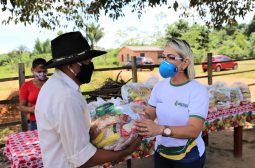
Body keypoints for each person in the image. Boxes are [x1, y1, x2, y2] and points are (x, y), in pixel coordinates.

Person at [35, 31, 141, 168]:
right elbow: (82, 159)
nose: (90, 65)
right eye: (87, 61)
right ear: (71, 65)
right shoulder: (65, 97)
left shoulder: (56, 86)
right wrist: (125, 152)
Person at [135, 38, 209, 168]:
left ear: (185, 63)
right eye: (164, 57)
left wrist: (160, 129)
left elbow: (193, 130)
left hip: (188, 156)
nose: (165, 62)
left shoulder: (197, 91)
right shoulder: (159, 87)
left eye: (171, 57)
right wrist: (139, 117)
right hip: (162, 152)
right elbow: (150, 113)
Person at [19, 58, 48, 130]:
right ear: (32, 70)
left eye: (44, 71)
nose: (42, 73)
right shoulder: (26, 85)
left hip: (53, 121)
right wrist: (31, 109)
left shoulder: (52, 83)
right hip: (35, 123)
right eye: (39, 71)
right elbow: (21, 107)